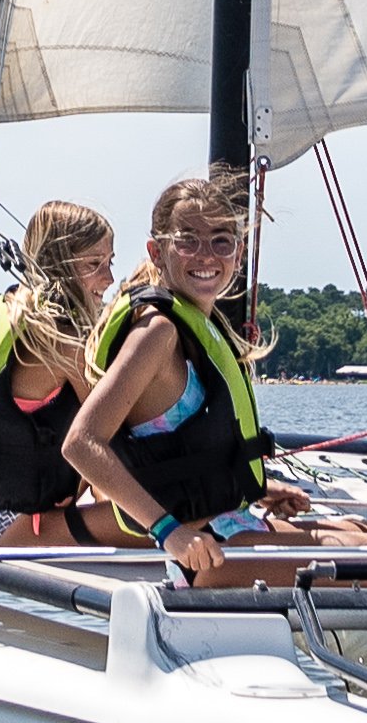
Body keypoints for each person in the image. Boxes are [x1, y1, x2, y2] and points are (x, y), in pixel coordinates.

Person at [61, 164, 326, 582]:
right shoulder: (158, 332)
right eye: (187, 241)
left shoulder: (198, 323)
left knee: (366, 534)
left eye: (221, 242)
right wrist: (169, 532)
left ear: (238, 254)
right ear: (156, 252)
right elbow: (81, 443)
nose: (206, 255)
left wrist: (253, 487)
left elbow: (180, 453)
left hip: (230, 522)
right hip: (207, 551)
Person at [0, 200, 114, 542]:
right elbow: (111, 441)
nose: (109, 278)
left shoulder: (3, 315)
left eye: (109, 262)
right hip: (25, 525)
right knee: (165, 520)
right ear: (60, 265)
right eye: (95, 264)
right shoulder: (64, 344)